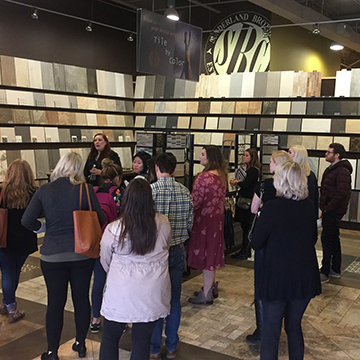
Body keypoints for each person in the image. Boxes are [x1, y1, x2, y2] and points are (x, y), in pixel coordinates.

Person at [22, 152, 105, 360]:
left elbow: (26, 220)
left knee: (55, 303)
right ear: (79, 170)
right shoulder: (85, 189)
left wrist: (41, 227)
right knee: (81, 299)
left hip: (52, 255)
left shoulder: (45, 190)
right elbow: (101, 217)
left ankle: (52, 352)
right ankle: (81, 343)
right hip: (82, 254)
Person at [251, 161, 321, 360]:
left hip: (277, 276)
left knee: (271, 330)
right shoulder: (309, 207)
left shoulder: (272, 208)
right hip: (304, 275)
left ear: (281, 181)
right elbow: (312, 239)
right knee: (293, 327)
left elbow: (256, 242)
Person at [99, 179, 171, 360]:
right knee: (141, 341)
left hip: (121, 292)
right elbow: (166, 246)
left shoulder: (114, 228)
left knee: (109, 337)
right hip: (152, 291)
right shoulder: (163, 223)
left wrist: (115, 271)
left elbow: (105, 259)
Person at [149, 153, 193, 359]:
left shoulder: (149, 192)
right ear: (174, 169)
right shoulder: (185, 192)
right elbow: (190, 223)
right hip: (177, 249)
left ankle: (154, 347)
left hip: (155, 251)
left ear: (157, 168)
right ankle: (172, 345)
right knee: (174, 299)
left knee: (155, 299)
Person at [247, 150, 291, 344]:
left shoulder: (265, 185)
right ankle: (281, 321)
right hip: (285, 242)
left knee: (261, 285)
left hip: (265, 239)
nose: (269, 164)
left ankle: (262, 328)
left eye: (272, 161)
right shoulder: (294, 185)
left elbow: (253, 208)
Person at [187, 145, 227, 305]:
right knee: (212, 253)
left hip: (203, 221)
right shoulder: (221, 176)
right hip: (216, 221)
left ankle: (206, 293)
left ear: (210, 157)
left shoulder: (204, 178)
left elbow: (194, 202)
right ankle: (210, 286)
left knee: (205, 256)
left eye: (203, 154)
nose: (200, 156)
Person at [0, 159, 37, 323]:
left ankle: (9, 305)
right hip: (24, 240)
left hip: (4, 239)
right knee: (14, 273)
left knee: (8, 273)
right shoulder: (33, 193)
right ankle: (10, 306)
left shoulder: (2, 192)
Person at [90, 158, 124, 334]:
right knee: (116, 282)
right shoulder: (118, 192)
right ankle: (118, 319)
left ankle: (95, 319)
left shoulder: (92, 191)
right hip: (114, 241)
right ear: (117, 177)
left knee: (98, 281)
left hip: (95, 241)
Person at [319, 143, 352, 283]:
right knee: (333, 238)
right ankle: (335, 269)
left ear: (337, 155)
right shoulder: (333, 169)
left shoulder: (342, 171)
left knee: (327, 239)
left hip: (333, 211)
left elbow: (342, 194)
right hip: (329, 210)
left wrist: (328, 208)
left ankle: (325, 271)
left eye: (329, 152)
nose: (326, 154)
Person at [231, 148, 260, 260]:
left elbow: (246, 184)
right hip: (246, 200)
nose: (244, 157)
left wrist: (237, 182)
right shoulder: (250, 170)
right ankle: (245, 250)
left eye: (247, 155)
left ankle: (245, 250)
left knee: (246, 227)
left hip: (247, 201)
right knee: (245, 227)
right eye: (244, 155)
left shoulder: (253, 170)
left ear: (252, 157)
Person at [288, 145, 319, 216]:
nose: (287, 154)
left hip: (299, 212)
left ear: (298, 156)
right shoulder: (311, 175)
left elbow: (314, 197)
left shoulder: (309, 176)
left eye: (290, 152)